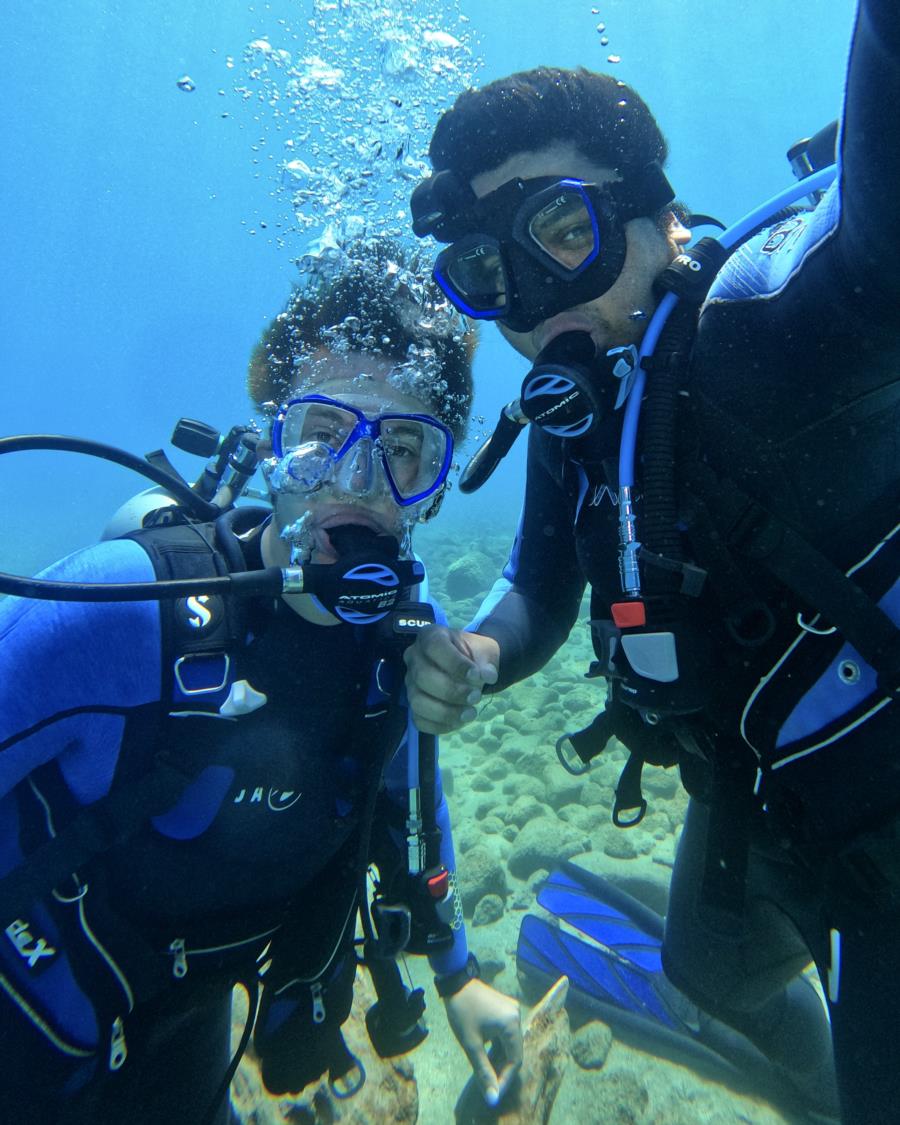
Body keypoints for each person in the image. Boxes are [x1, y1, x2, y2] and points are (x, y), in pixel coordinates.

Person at [404, 4, 899, 1123]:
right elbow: (539, 586)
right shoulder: (583, 417)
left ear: (664, 219)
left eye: (562, 237)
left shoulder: (786, 320)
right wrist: (481, 650)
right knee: (713, 985)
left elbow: (880, 221)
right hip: (757, 786)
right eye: (488, 275)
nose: (534, 311)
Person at [0, 240, 521, 1125]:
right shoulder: (121, 607)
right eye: (321, 437)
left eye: (404, 448)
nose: (358, 483)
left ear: (432, 488)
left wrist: (458, 970)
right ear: (270, 443)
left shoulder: (404, 632)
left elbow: (406, 801)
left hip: (190, 1023)